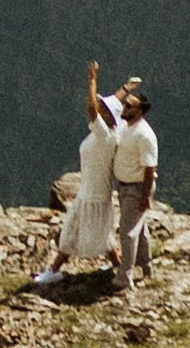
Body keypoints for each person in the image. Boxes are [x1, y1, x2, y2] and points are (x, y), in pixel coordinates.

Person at [35, 85, 115, 290]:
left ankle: (53, 270)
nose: (100, 110)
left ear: (111, 117)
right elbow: (104, 109)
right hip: (92, 190)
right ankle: (119, 266)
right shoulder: (107, 133)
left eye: (104, 109)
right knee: (103, 232)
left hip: (93, 193)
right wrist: (125, 89)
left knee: (72, 230)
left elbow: (91, 108)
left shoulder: (104, 135)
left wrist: (92, 79)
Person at [92, 61, 157, 293]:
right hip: (127, 186)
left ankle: (125, 277)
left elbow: (150, 168)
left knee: (127, 232)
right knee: (139, 229)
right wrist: (125, 88)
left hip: (137, 187)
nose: (123, 108)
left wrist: (145, 195)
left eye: (128, 106)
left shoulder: (145, 135)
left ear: (138, 112)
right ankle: (146, 267)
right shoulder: (126, 125)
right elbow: (105, 105)